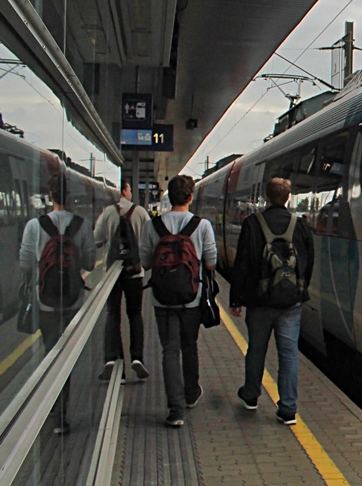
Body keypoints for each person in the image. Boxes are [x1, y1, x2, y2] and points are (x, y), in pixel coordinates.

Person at [230, 177, 314, 425]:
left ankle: (251, 396)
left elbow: (242, 264)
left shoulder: (252, 224)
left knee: (256, 349)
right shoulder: (300, 225)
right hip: (290, 304)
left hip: (259, 302)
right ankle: (288, 409)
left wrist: (236, 298)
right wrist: (300, 290)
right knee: (288, 354)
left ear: (266, 197)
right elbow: (308, 261)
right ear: (287, 197)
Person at [19, 172, 96, 434]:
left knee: (50, 353)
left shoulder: (33, 226)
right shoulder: (82, 225)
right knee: (65, 356)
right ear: (70, 196)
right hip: (73, 301)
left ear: (50, 196)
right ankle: (60, 411)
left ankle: (53, 407)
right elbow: (88, 262)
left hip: (45, 302)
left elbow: (25, 264)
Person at [140, 175, 216, 428]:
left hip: (162, 300)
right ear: (190, 197)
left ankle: (175, 410)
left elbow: (145, 262)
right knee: (189, 345)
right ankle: (192, 393)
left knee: (169, 351)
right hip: (191, 298)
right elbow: (211, 262)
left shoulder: (153, 226)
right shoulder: (202, 225)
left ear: (168, 196)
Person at [93, 179, 151, 382]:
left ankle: (112, 360)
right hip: (135, 272)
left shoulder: (108, 212)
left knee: (112, 314)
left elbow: (97, 240)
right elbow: (148, 242)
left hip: (112, 275)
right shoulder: (141, 213)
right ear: (125, 190)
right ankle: (137, 357)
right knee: (135, 314)